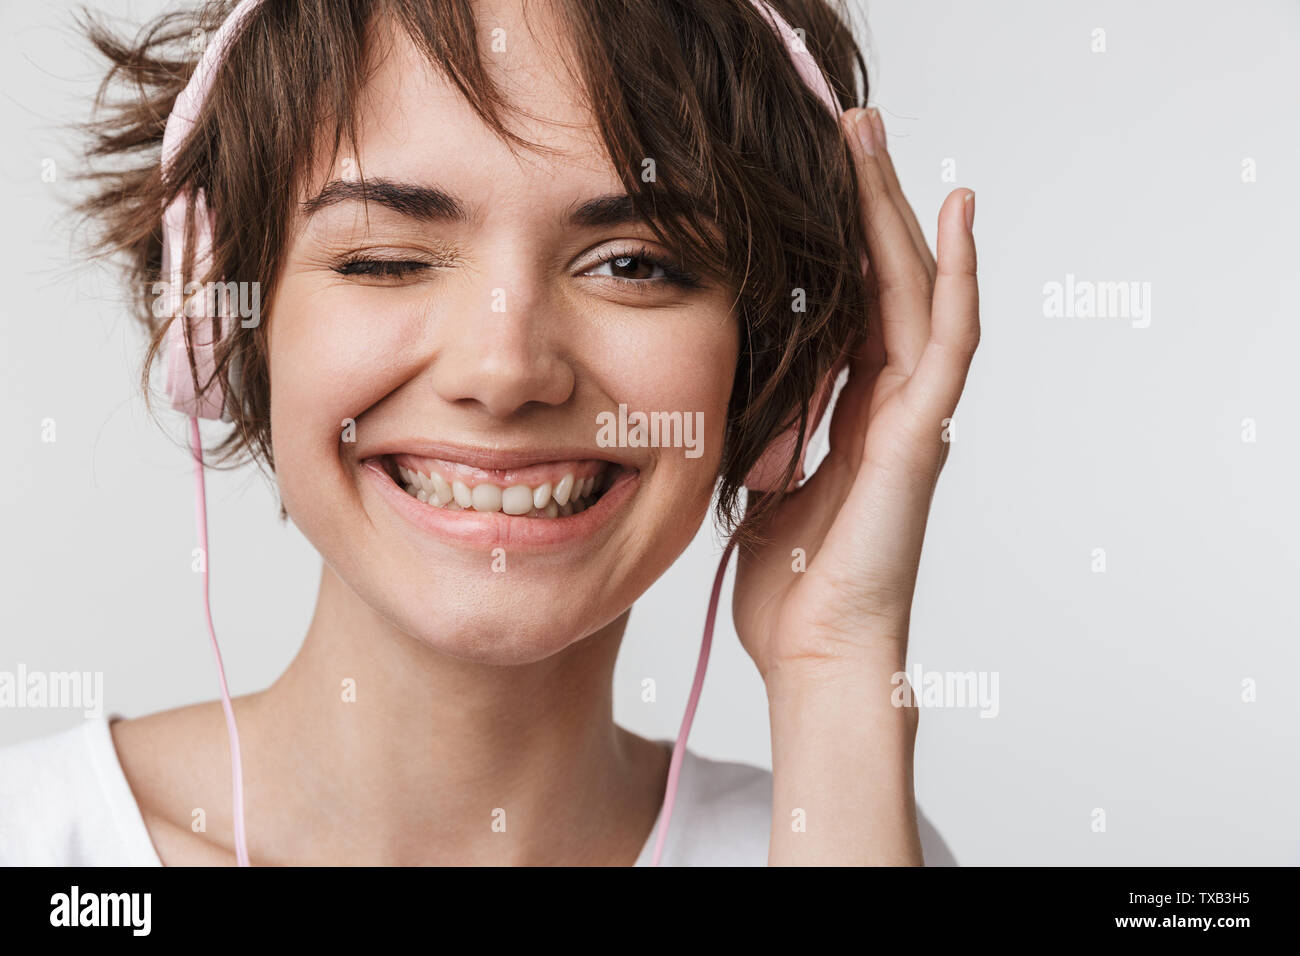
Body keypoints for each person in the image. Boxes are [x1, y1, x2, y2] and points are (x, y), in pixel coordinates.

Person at [0, 0, 977, 866]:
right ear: (218, 317)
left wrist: (835, 667)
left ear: (776, 365)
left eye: (632, 264)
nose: (504, 370)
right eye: (386, 259)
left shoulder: (839, 824)